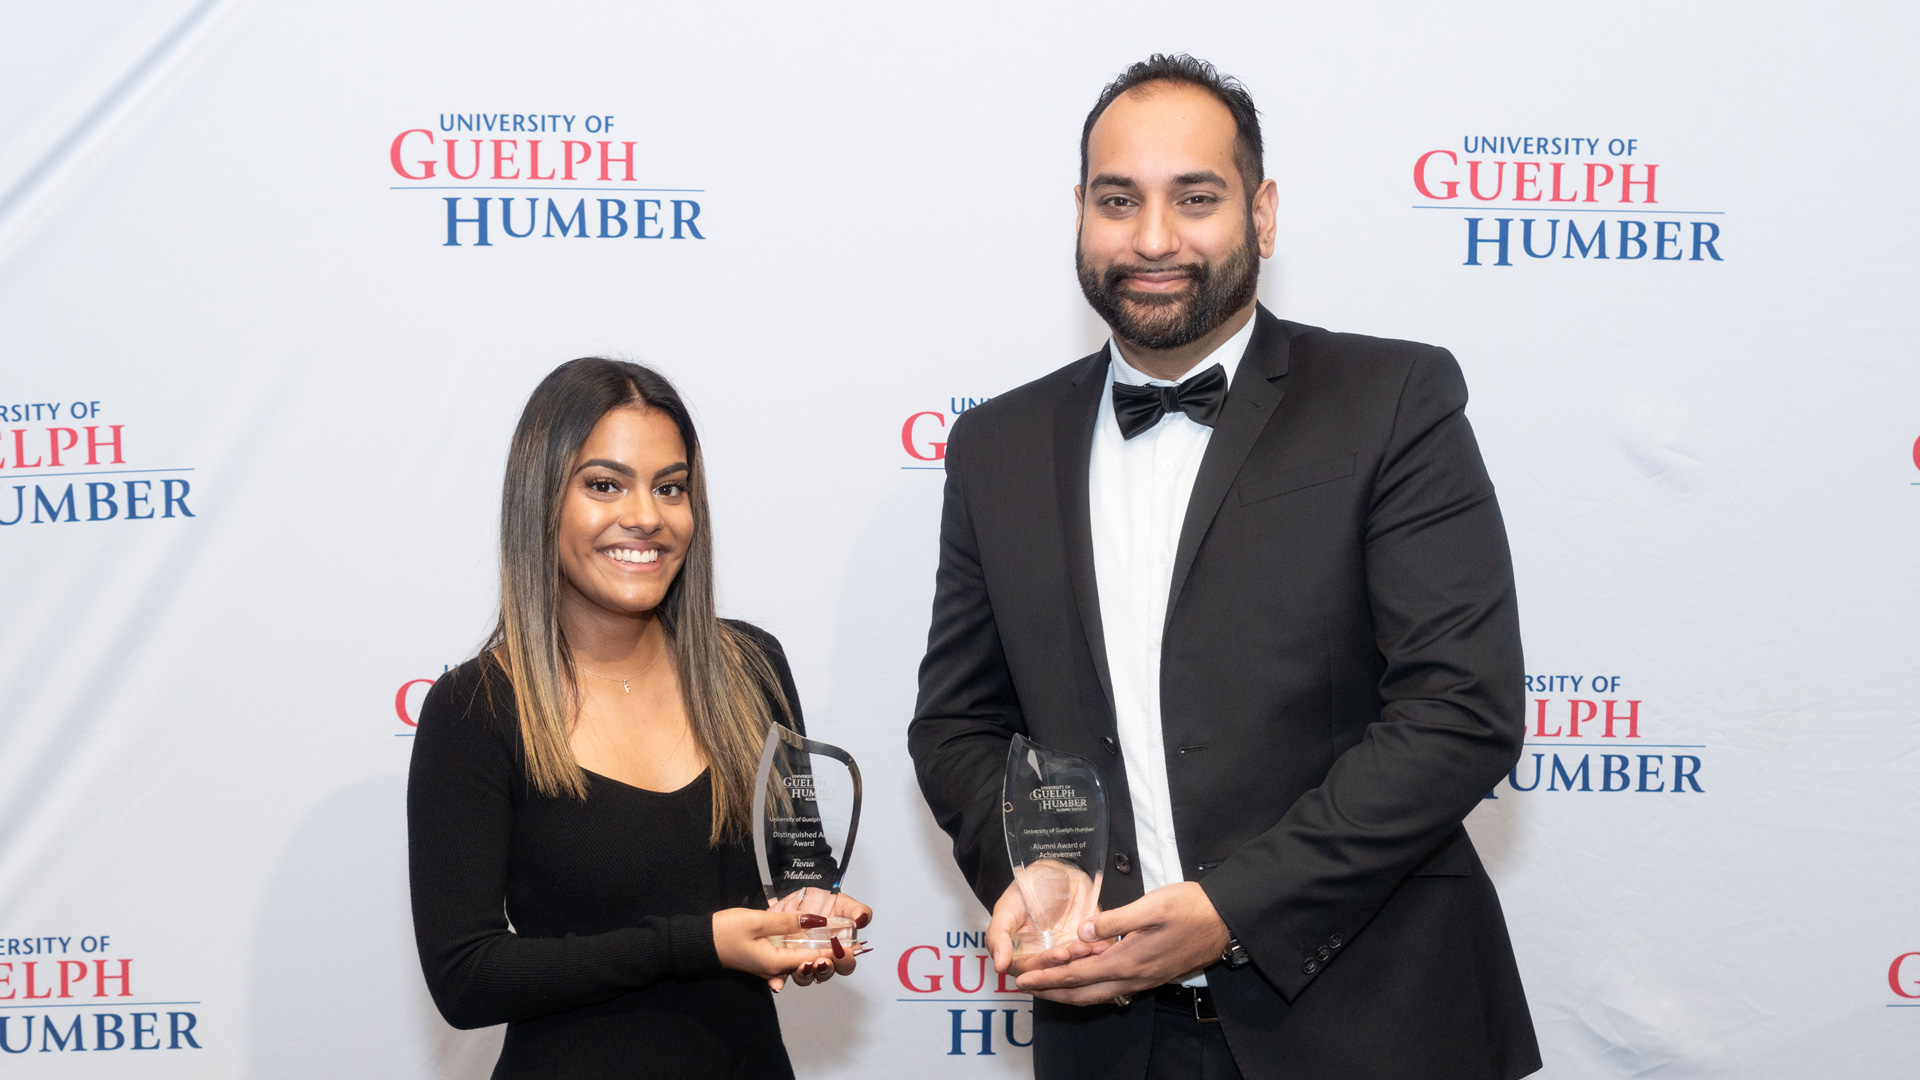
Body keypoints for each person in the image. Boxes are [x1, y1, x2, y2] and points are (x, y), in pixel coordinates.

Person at [908, 55, 1540, 1080]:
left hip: (1375, 1026)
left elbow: (1460, 709)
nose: (1153, 238)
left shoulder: (1391, 399)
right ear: (1080, 212)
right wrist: (1039, 865)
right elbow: (959, 724)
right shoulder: (998, 447)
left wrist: (1229, 913)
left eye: (1195, 198)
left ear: (1264, 214)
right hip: (1111, 1040)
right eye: (1119, 201)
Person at [408, 358, 869, 1080]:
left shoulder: (751, 667)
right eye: (603, 485)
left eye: (670, 487)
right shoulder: (476, 709)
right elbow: (466, 978)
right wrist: (700, 944)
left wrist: (807, 926)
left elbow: (787, 881)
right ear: (541, 499)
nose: (647, 517)